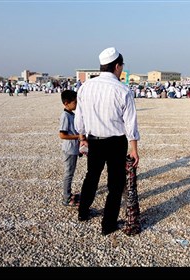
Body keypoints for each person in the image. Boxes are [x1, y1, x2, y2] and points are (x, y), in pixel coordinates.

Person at [74, 47, 140, 236]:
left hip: (94, 140)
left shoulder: (85, 87)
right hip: (116, 142)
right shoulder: (122, 89)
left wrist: (82, 138)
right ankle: (108, 224)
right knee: (115, 184)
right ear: (117, 66)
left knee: (91, 177)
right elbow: (130, 123)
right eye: (121, 66)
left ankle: (83, 212)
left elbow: (79, 118)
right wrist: (134, 149)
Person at [59, 90, 81, 207]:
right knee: (68, 173)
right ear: (66, 103)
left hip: (74, 148)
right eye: (75, 102)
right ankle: (66, 198)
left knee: (70, 173)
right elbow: (62, 134)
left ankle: (69, 194)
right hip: (69, 149)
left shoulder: (71, 114)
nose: (76, 104)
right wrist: (78, 136)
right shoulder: (65, 116)